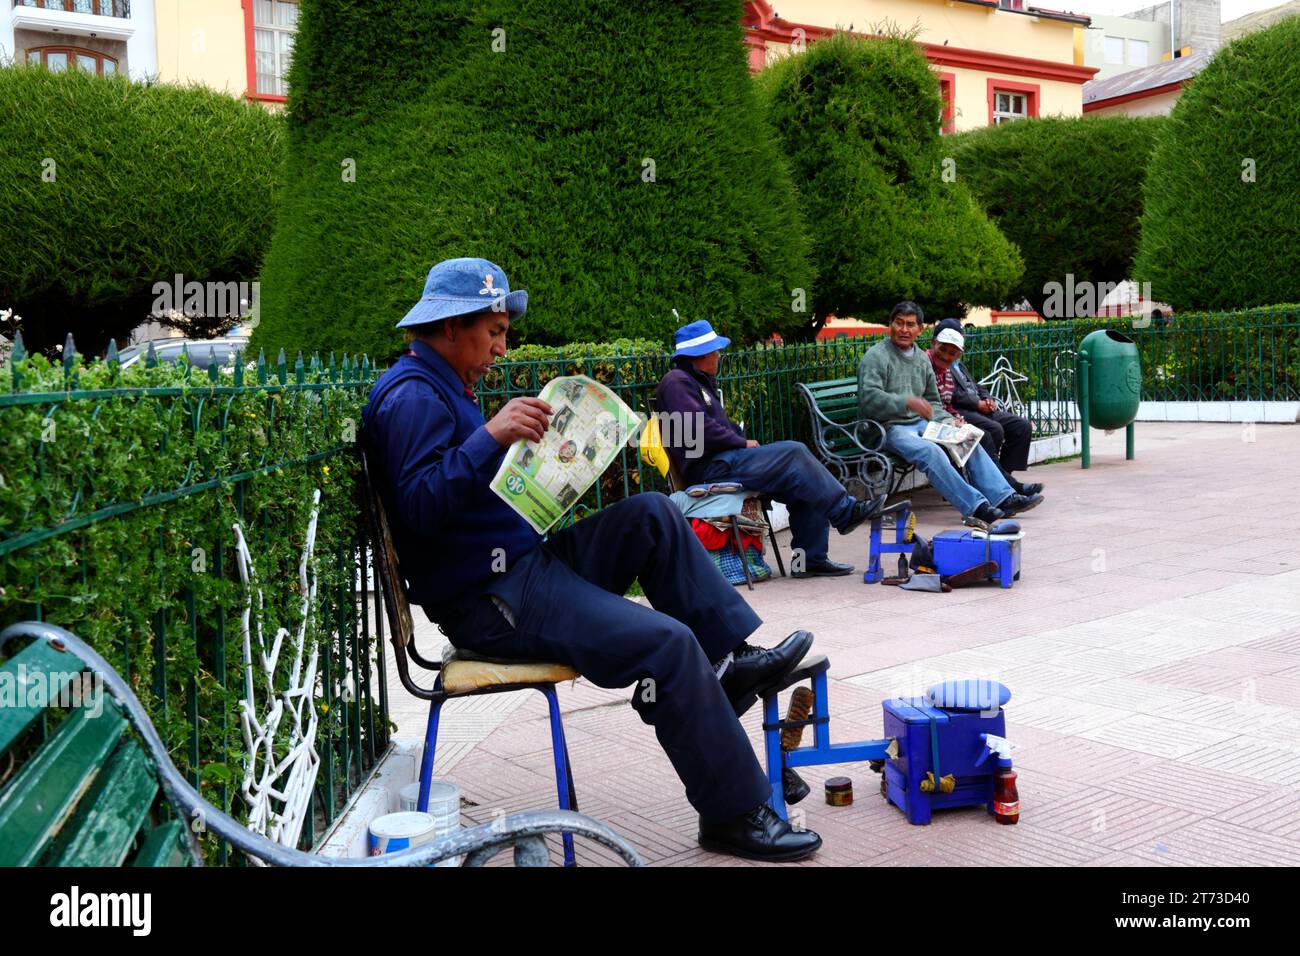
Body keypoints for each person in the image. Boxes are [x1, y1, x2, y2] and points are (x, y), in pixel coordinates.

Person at [362, 258, 821, 861]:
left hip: (521, 565)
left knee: (653, 514)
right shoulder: (412, 398)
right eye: (494, 332)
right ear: (451, 326)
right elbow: (421, 507)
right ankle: (733, 815)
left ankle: (729, 663)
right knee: (668, 644)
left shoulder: (443, 386)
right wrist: (491, 437)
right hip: (496, 600)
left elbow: (464, 492)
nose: (502, 347)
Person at [654, 319, 885, 578]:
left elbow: (719, 426)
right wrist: (742, 443)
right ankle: (844, 512)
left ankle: (809, 561)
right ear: (701, 354)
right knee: (794, 452)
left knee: (803, 480)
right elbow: (699, 429)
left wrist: (745, 444)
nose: (719, 356)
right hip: (709, 467)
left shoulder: (698, 382)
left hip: (725, 460)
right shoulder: (676, 382)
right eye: (716, 351)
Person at [856, 302, 1043, 523]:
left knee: (966, 437)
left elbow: (933, 402)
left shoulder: (919, 359)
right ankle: (976, 506)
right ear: (890, 324)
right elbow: (868, 399)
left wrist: (949, 420)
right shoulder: (876, 356)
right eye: (899, 323)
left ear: (920, 329)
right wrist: (907, 402)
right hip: (887, 428)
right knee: (930, 452)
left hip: (919, 424)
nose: (904, 330)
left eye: (910, 325)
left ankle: (1003, 497)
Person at [930, 319, 1043, 499]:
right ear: (935, 342)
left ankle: (1003, 479)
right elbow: (949, 397)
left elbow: (975, 385)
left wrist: (987, 399)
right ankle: (1001, 486)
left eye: (953, 351)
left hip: (966, 410)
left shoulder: (956, 363)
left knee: (1022, 426)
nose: (946, 354)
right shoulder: (932, 364)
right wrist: (975, 405)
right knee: (991, 430)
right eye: (944, 348)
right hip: (961, 411)